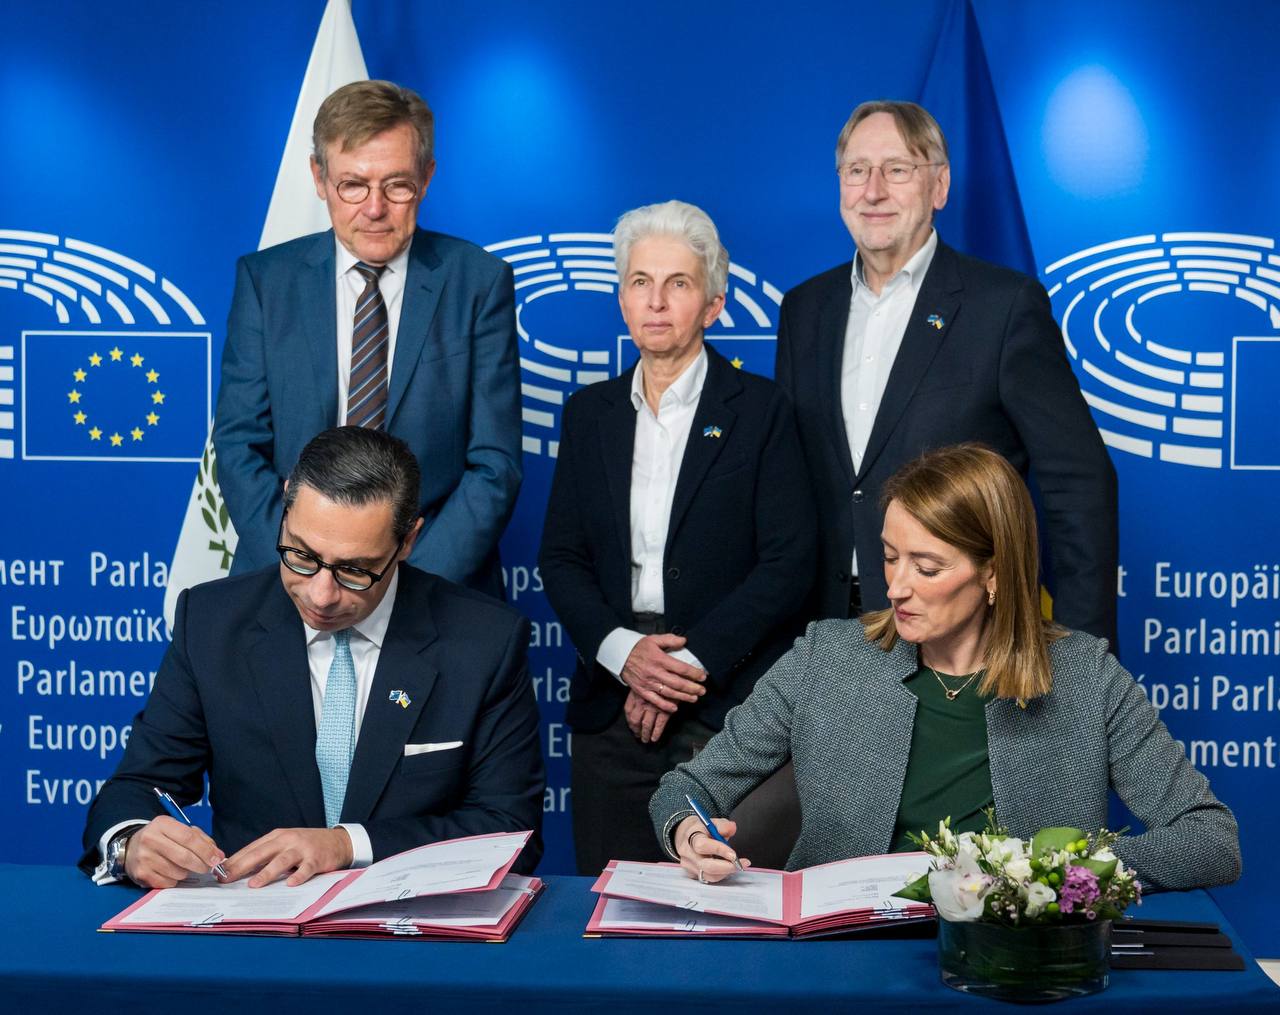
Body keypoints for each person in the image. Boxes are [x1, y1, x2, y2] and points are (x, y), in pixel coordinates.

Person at [651, 443, 1239, 893]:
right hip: (843, 960)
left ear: (994, 572)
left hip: (1009, 965)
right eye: (889, 557)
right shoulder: (825, 658)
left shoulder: (1086, 677)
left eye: (927, 568)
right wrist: (690, 833)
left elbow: (1212, 840)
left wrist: (1057, 875)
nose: (896, 587)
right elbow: (686, 788)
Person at [82, 427, 544, 889]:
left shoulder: (484, 641)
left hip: (408, 921)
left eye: (355, 570)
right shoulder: (210, 623)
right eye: (301, 556)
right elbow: (138, 786)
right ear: (286, 509)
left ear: (407, 541)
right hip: (255, 914)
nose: (321, 595)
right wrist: (131, 842)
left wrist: (347, 845)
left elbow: (511, 831)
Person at [775, 100, 1118, 645]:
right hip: (827, 634)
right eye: (857, 170)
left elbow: (1078, 483)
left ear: (939, 186)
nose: (873, 191)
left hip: (965, 636)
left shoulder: (1004, 307)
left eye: (897, 169)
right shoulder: (804, 310)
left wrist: (1084, 655)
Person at [540, 200, 817, 874]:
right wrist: (625, 655)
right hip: (611, 701)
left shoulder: (763, 411)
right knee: (610, 898)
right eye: (640, 281)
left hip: (725, 703)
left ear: (714, 304)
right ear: (622, 299)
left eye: (678, 283)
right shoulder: (588, 413)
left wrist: (685, 667)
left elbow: (789, 562)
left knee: (723, 901)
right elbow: (561, 556)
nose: (656, 301)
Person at [214, 80, 521, 599]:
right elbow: (239, 444)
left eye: (397, 185)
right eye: (352, 185)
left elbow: (495, 465)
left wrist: (404, 589)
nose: (374, 208)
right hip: (288, 582)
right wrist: (303, 570)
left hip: (435, 587)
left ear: (427, 178)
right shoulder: (266, 282)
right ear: (319, 177)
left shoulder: (479, 282)